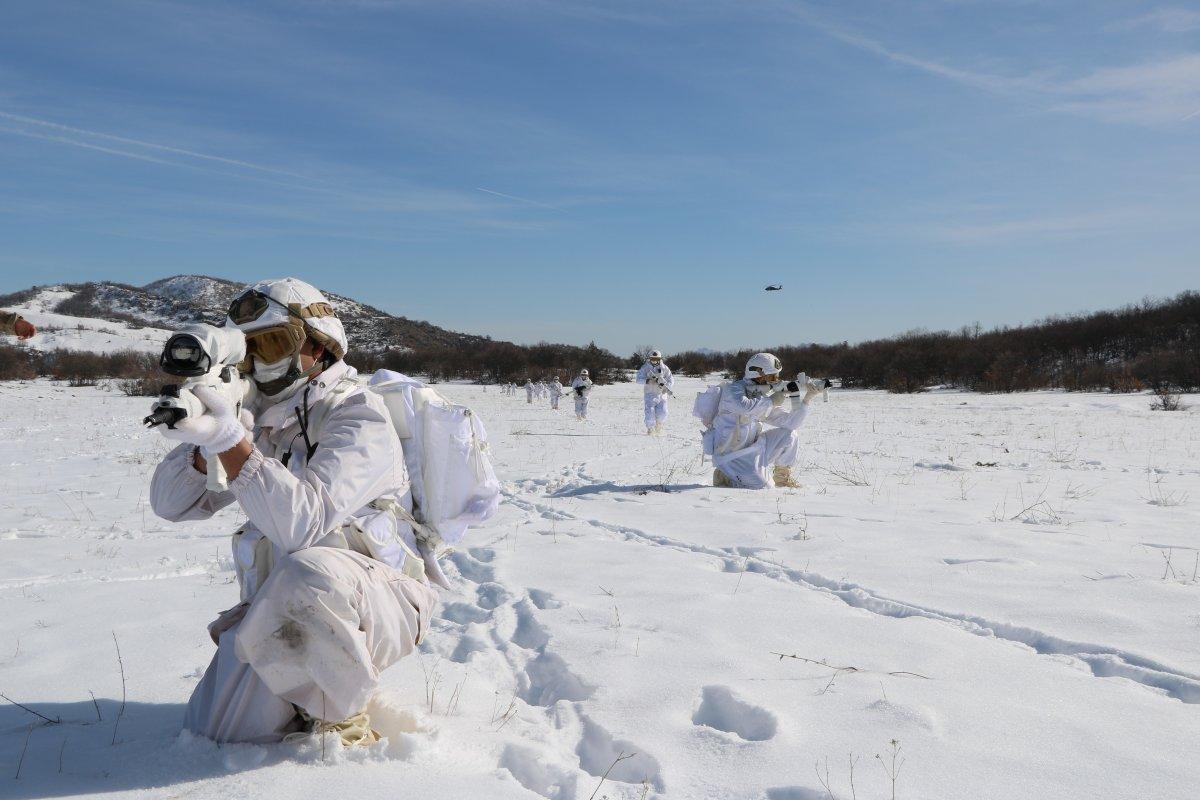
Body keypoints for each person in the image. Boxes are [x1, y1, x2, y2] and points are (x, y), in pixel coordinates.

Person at [149, 277, 437, 746]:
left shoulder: (357, 414)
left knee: (310, 573)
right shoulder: (259, 418)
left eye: (276, 343)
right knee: (215, 733)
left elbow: (302, 527)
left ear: (321, 347)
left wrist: (230, 443)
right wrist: (205, 445)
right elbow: (169, 504)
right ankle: (304, 691)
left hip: (380, 600)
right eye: (250, 349)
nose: (261, 361)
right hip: (283, 607)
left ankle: (340, 717)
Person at [710, 352, 823, 489]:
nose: (775, 381)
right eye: (772, 376)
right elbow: (744, 406)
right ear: (757, 373)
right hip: (730, 458)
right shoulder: (732, 390)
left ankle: (782, 479)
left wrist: (807, 400)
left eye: (777, 376)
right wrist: (771, 401)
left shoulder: (760, 397)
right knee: (764, 487)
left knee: (790, 435)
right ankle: (724, 475)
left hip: (752, 450)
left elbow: (791, 423)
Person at [635, 350, 674, 435]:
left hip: (662, 394)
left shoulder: (664, 368)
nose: (654, 361)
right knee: (649, 412)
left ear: (660, 359)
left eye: (656, 359)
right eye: (652, 359)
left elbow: (671, 380)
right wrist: (647, 381)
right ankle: (650, 429)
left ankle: (659, 425)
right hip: (650, 394)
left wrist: (666, 386)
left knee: (663, 412)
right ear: (649, 359)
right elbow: (638, 379)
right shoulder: (645, 367)